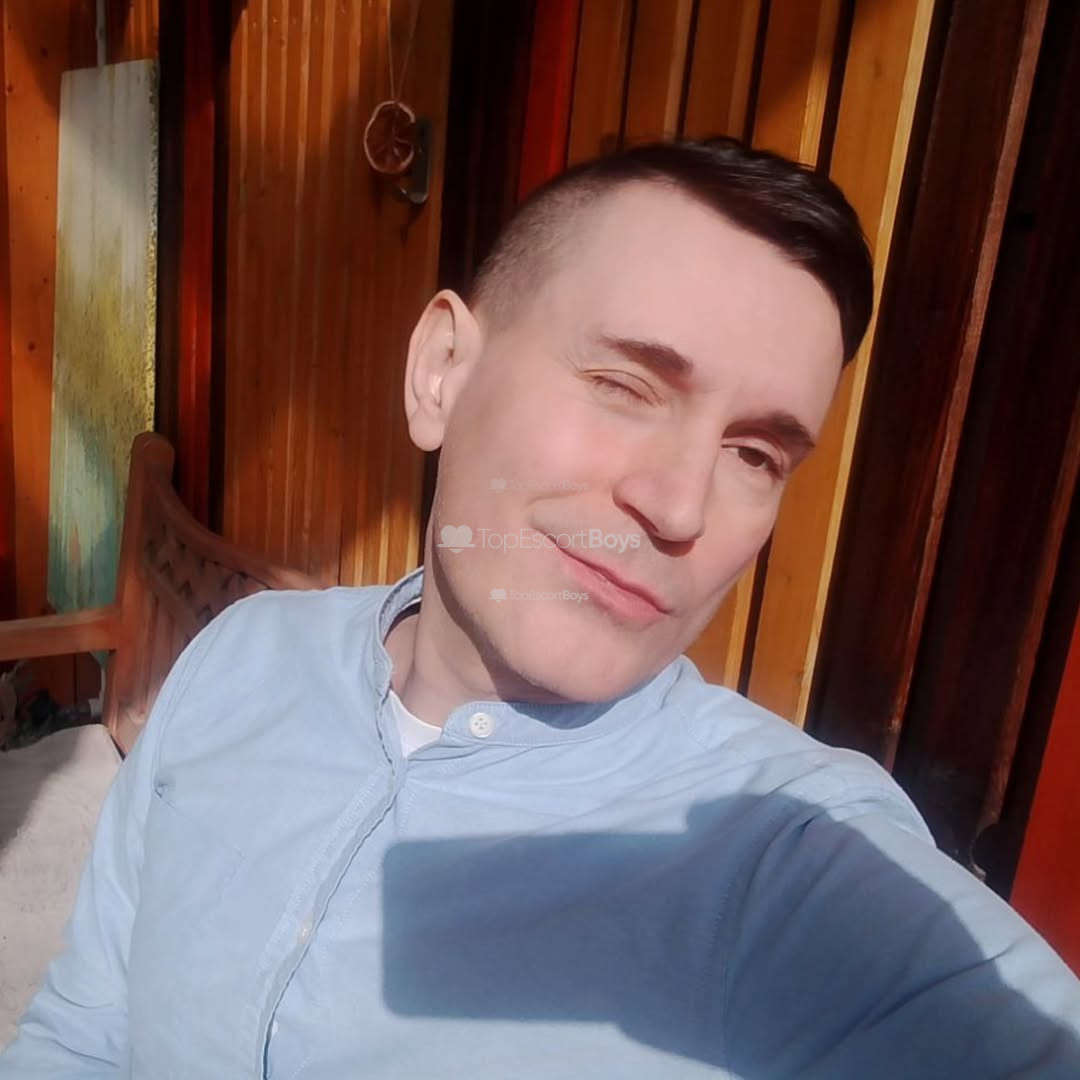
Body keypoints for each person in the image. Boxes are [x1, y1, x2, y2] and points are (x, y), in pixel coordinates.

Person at [3, 137, 1079, 1079]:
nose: (679, 507)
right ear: (440, 372)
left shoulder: (779, 853)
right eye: (626, 386)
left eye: (756, 453)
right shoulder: (244, 658)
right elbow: (88, 1027)